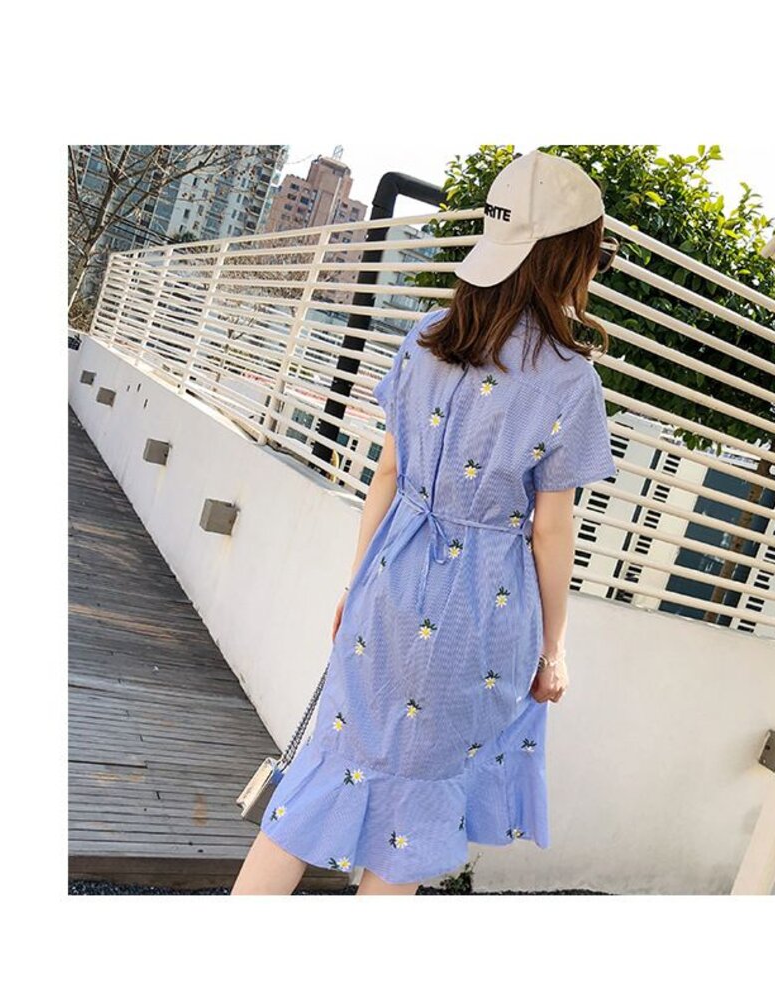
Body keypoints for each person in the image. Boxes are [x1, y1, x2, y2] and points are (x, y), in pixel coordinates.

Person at [231, 149, 620, 896]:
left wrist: (356, 585)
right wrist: (554, 649)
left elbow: (385, 474)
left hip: (388, 584)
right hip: (480, 616)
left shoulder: (428, 336)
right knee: (412, 817)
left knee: (320, 775)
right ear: (571, 257)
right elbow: (551, 530)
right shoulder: (571, 380)